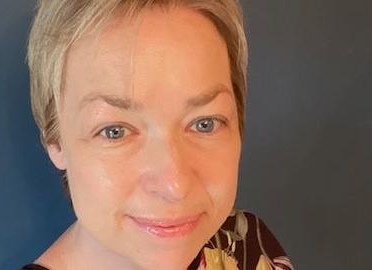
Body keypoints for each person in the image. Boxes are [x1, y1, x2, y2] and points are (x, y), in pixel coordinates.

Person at [21, 1, 293, 269]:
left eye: (205, 124)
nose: (174, 186)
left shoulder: (246, 242)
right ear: (55, 142)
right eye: (115, 132)